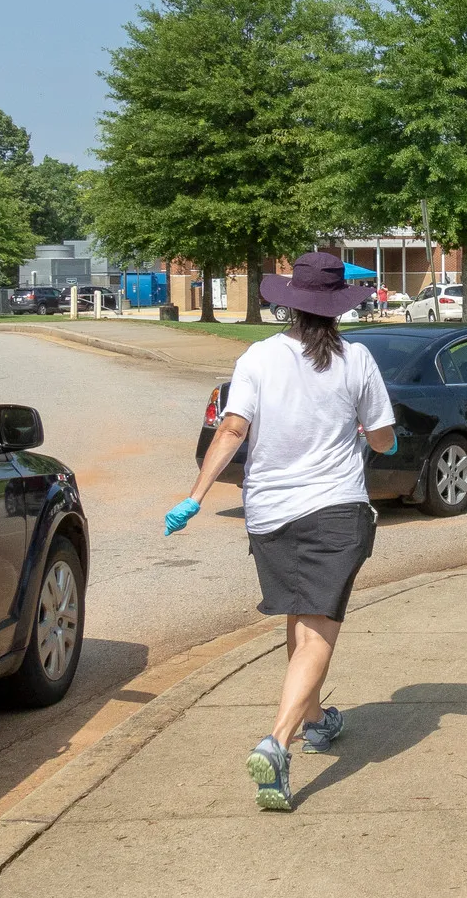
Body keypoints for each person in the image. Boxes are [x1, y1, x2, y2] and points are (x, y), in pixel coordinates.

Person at [168, 251, 396, 811]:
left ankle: (316, 718)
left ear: (289, 303)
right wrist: (371, 433)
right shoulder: (357, 359)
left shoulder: (258, 358)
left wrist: (194, 498)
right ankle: (278, 741)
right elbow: (386, 439)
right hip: (335, 510)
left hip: (268, 514)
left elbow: (232, 428)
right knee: (319, 630)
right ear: (340, 306)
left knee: (300, 616)